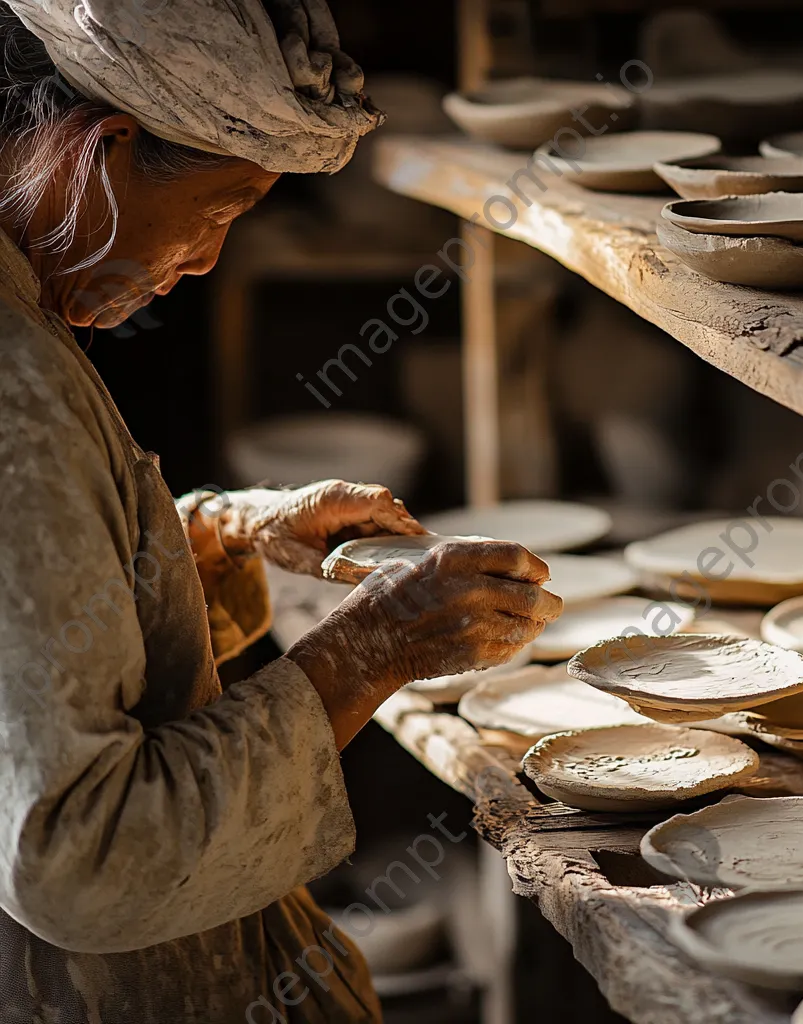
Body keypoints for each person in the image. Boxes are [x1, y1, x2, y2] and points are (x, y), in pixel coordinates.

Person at [0, 2, 562, 1020]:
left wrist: (218, 536)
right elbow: (77, 854)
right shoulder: (13, 390)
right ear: (102, 153)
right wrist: (369, 651)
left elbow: (33, 623)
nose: (209, 258)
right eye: (222, 207)